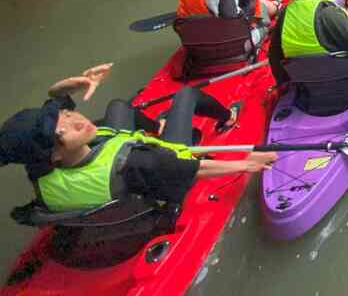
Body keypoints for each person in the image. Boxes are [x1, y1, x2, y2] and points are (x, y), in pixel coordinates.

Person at [0, 64, 275, 215]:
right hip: (164, 167)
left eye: (66, 113)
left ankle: (157, 125)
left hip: (113, 179)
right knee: (186, 95)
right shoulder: (136, 162)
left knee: (118, 106)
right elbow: (195, 168)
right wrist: (246, 164)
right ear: (53, 153)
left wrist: (70, 86)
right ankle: (228, 116)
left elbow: (52, 109)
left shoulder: (38, 168)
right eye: (62, 132)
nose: (77, 120)